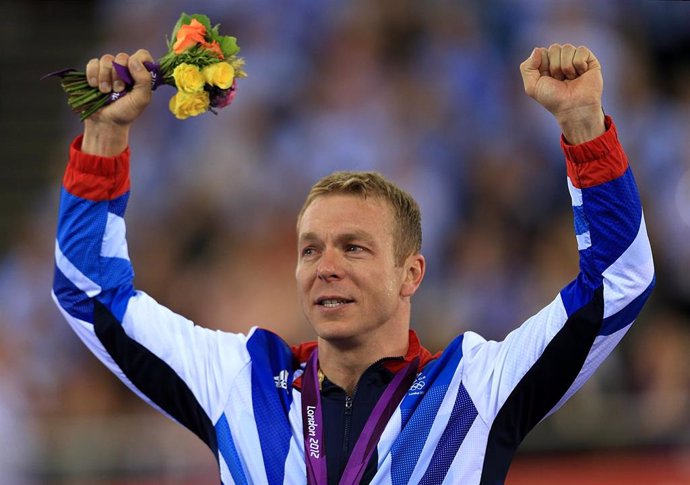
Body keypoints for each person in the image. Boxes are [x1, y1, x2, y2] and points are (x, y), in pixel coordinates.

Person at [52, 44, 655, 485]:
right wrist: (104, 135)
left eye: (354, 247)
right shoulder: (242, 382)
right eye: (309, 249)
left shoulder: (474, 387)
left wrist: (583, 127)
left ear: (410, 274)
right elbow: (88, 293)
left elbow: (618, 282)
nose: (326, 266)